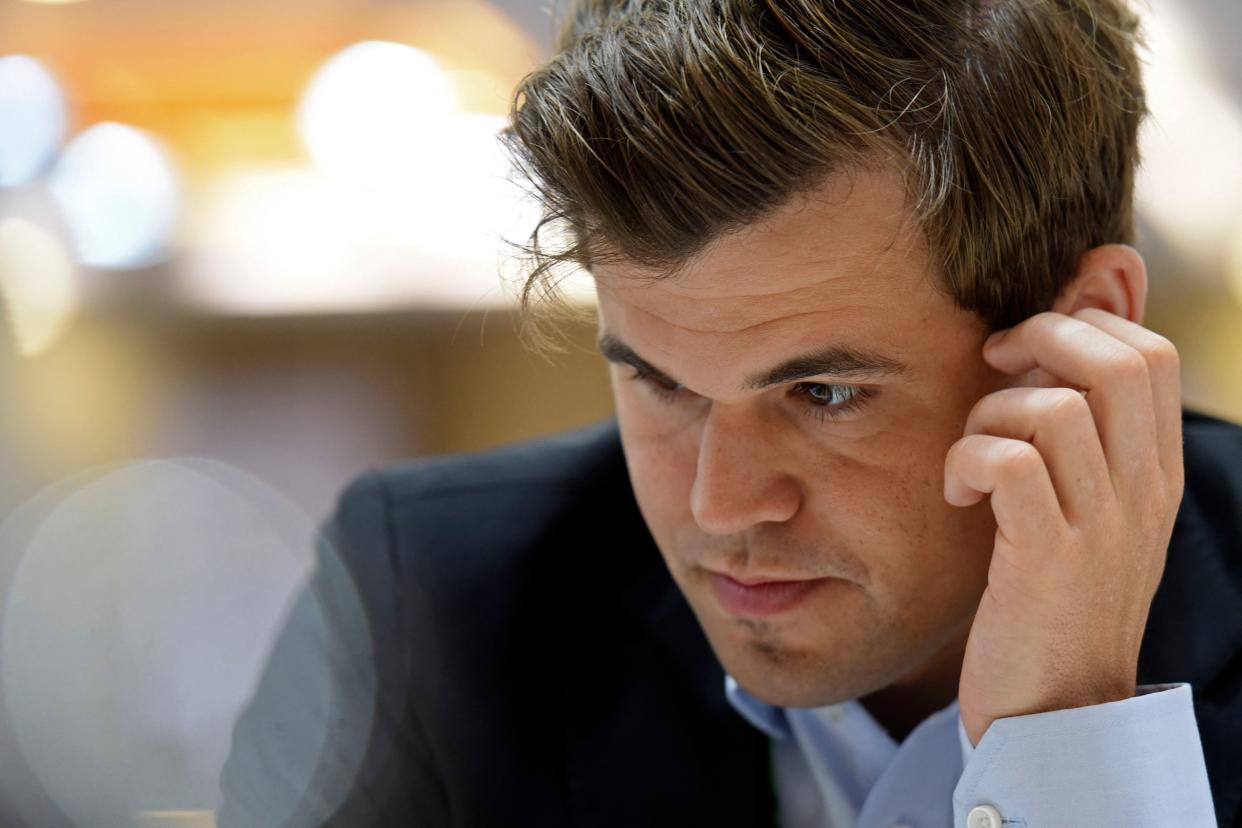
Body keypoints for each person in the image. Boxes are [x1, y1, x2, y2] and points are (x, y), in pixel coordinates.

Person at [219, 1, 1242, 826]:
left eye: (824, 394)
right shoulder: (420, 604)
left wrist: (1069, 745)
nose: (719, 504)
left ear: (1083, 331)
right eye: (660, 382)